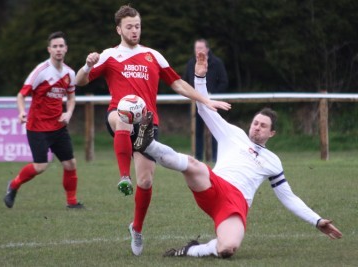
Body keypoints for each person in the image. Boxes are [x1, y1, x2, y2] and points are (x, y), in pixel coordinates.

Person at [133, 52, 342, 259]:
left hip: (236, 204)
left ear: (272, 133)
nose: (257, 127)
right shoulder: (233, 134)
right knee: (192, 164)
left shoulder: (273, 161)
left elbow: (288, 198)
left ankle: (191, 250)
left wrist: (317, 220)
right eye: (256, 123)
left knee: (228, 248)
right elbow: (205, 110)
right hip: (214, 185)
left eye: (263, 126)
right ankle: (148, 143)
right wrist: (200, 78)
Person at [75, 5, 230, 256]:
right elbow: (79, 81)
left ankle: (136, 228)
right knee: (123, 114)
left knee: (146, 180)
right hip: (118, 114)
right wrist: (86, 64)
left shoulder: (153, 55)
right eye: (129, 27)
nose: (134, 30)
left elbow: (178, 83)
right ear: (118, 29)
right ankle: (124, 176)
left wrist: (205, 100)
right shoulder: (109, 55)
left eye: (137, 26)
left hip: (148, 123)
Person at [4, 31, 84, 209]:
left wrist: (68, 114)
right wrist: (22, 112)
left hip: (58, 126)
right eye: (55, 46)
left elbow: (71, 98)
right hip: (37, 126)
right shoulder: (41, 71)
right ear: (49, 49)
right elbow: (21, 95)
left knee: (70, 163)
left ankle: (72, 202)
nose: (58, 49)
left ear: (66, 49)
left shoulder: (70, 73)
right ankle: (14, 185)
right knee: (40, 166)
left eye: (61, 46)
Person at [183, 39, 228, 162]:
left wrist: (212, 96)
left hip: (213, 103)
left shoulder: (217, 63)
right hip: (196, 103)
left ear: (207, 49)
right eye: (196, 48)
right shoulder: (191, 63)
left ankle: (216, 158)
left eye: (201, 48)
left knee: (216, 130)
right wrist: (195, 95)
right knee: (197, 132)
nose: (199, 51)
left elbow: (224, 81)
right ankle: (198, 159)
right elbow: (185, 82)